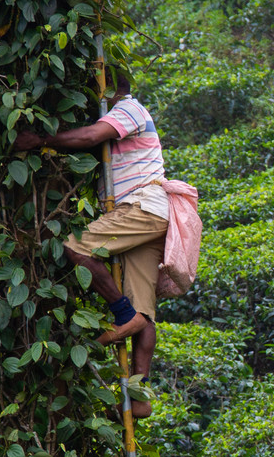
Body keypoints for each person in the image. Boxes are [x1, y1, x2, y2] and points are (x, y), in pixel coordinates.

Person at [13, 67, 165, 417]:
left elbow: (90, 136)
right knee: (145, 313)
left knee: (76, 246)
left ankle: (121, 315)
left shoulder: (129, 109)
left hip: (141, 206)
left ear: (110, 88)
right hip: (149, 214)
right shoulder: (125, 114)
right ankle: (140, 396)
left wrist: (40, 141)